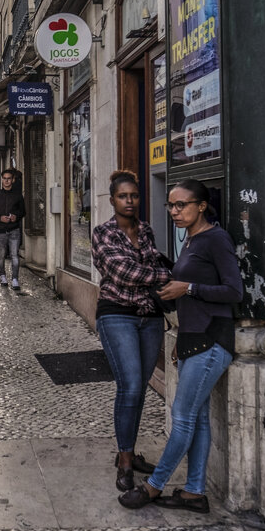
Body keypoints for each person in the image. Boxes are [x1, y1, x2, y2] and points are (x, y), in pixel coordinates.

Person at [119, 178, 243, 513]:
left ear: (201, 206)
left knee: (183, 417)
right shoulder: (190, 239)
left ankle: (154, 486)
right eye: (170, 206)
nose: (174, 211)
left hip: (213, 339)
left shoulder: (216, 239)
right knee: (198, 419)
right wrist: (182, 336)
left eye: (181, 205)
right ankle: (194, 493)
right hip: (193, 338)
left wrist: (187, 289)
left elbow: (234, 292)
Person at [90, 170, 169, 493]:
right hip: (116, 315)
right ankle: (124, 459)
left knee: (140, 389)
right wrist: (163, 277)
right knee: (131, 385)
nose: (130, 201)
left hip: (149, 318)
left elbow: (146, 268)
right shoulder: (102, 232)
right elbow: (121, 271)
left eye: (134, 196)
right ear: (112, 200)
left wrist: (154, 274)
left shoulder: (146, 230)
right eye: (123, 196)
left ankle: (130, 451)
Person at [0, 169, 27, 290]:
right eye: (4, 178)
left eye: (9, 178)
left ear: (13, 180)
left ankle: (15, 279)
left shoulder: (18, 196)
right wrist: (0, 218)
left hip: (14, 229)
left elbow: (23, 212)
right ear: (2, 180)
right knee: (1, 255)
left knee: (15, 255)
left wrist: (16, 217)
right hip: (0, 230)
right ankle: (2, 276)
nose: (6, 181)